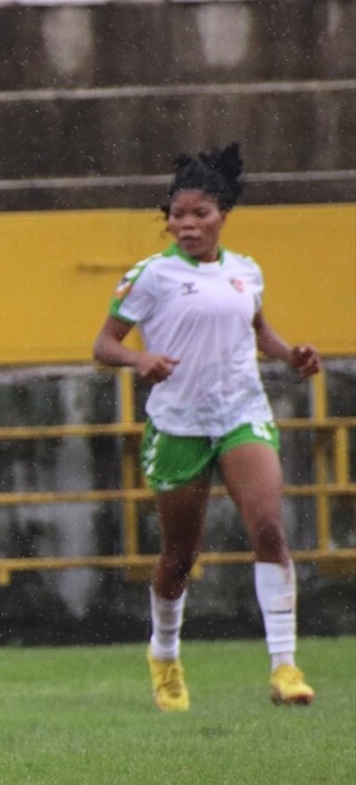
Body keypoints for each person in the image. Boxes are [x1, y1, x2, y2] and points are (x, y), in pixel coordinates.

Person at [92, 143, 322, 712]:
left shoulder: (246, 272)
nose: (187, 224)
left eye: (199, 214)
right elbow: (104, 345)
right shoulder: (151, 276)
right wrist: (140, 361)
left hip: (241, 412)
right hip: (179, 425)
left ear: (223, 214)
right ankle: (165, 656)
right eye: (177, 214)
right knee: (179, 557)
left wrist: (290, 354)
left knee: (268, 526)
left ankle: (285, 667)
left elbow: (259, 332)